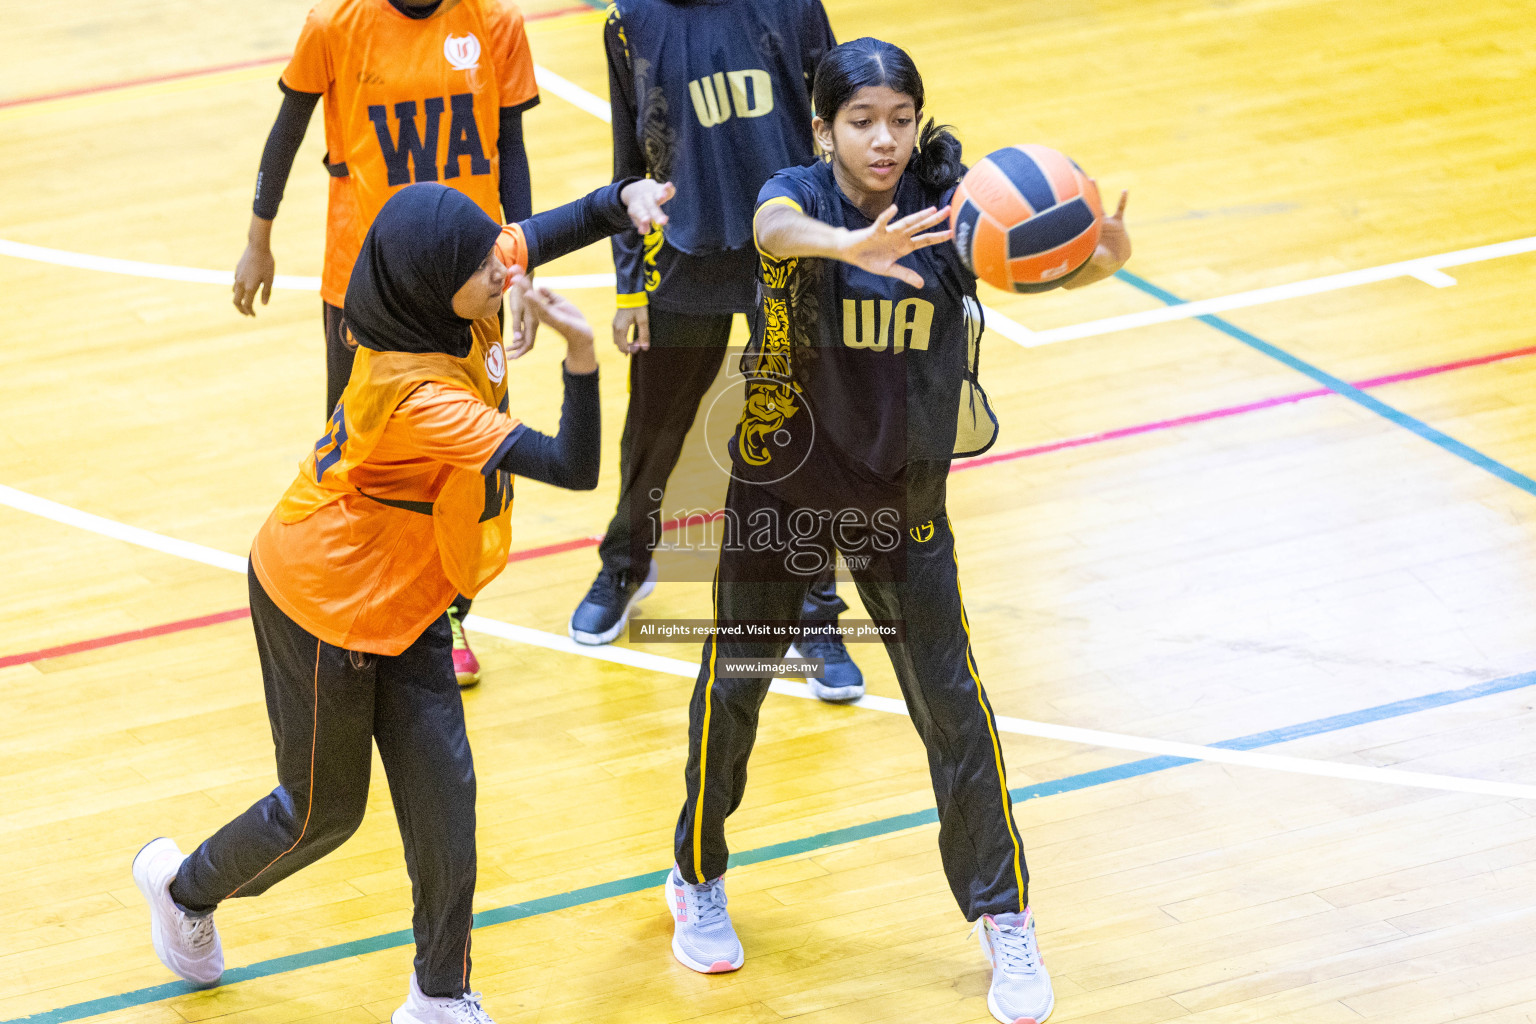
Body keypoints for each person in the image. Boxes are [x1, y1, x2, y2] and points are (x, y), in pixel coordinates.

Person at [662, 39, 1130, 1024]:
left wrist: (1098, 262)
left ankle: (1004, 914)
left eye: (900, 119)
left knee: (955, 710)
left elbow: (1022, 262)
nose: (884, 139)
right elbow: (774, 229)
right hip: (781, 489)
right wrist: (848, 247)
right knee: (734, 689)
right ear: (823, 127)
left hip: (903, 501)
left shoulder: (954, 207)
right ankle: (696, 869)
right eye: (862, 121)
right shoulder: (795, 195)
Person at [135, 177, 673, 1024]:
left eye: (497, 254)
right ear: (431, 287)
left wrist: (623, 200)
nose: (503, 269)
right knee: (319, 814)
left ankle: (440, 996)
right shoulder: (417, 397)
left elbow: (543, 230)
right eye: (483, 265)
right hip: (321, 601)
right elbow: (574, 465)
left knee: (444, 802)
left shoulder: (463, 281)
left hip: (410, 594)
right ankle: (183, 889)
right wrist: (578, 355)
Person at [232, 0, 543, 686]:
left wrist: (520, 275)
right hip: (365, 293)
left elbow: (510, 149)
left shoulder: (495, 25)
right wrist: (259, 240)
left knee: (470, 464)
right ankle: (352, 604)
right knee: (366, 461)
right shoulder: (334, 25)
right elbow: (286, 135)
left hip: (471, 292)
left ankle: (447, 613)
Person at [568, 0, 866, 703]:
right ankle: (625, 563)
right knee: (653, 428)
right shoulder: (629, 19)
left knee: (798, 432)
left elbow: (841, 122)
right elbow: (626, 158)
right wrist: (628, 289)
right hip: (680, 257)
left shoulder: (791, 6)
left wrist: (846, 243)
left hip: (785, 250)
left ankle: (813, 609)